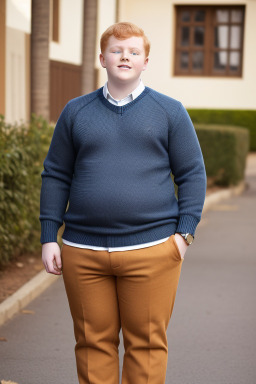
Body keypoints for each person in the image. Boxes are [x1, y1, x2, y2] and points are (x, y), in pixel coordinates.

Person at [40, 22, 206, 384]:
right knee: (91, 343)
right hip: (83, 251)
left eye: (133, 51)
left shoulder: (170, 111)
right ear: (103, 58)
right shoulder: (76, 112)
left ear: (146, 60)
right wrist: (49, 236)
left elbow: (192, 174)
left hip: (153, 250)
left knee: (146, 346)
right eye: (117, 50)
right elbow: (55, 174)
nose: (125, 56)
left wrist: (183, 236)